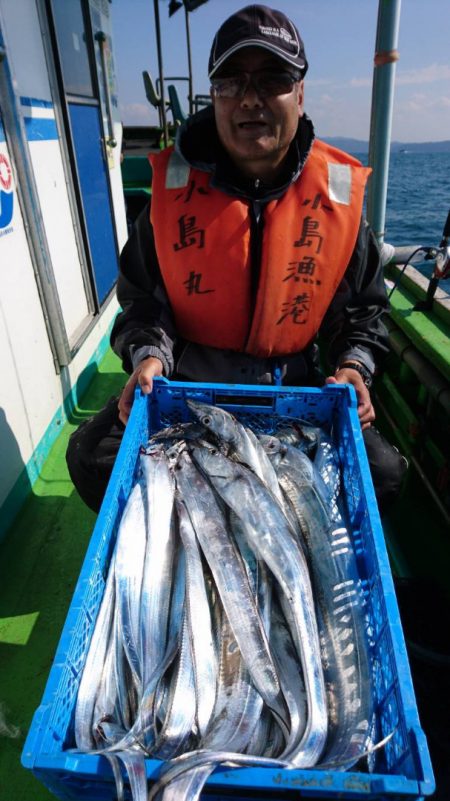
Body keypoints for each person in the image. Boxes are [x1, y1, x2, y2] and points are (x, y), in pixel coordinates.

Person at [66, 3, 407, 513]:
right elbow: (142, 304)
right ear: (215, 95)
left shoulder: (334, 202)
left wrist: (353, 366)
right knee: (91, 458)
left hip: (293, 391)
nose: (251, 99)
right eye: (231, 81)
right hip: (189, 391)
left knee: (385, 476)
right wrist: (149, 357)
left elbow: (361, 313)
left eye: (272, 79)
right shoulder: (170, 196)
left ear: (300, 92)